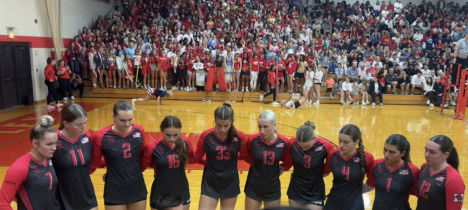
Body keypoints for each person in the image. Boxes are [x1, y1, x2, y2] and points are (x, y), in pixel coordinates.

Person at [90, 101, 147, 210]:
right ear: (113, 117)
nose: (127, 124)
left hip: (136, 185)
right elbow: (94, 162)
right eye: (122, 120)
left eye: (130, 119)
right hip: (114, 188)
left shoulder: (139, 131)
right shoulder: (101, 136)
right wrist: (111, 166)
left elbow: (142, 156)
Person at [194, 103, 246, 210]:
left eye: (226, 125)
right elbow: (196, 157)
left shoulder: (239, 136)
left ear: (232, 121)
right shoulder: (206, 135)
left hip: (230, 182)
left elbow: (246, 156)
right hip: (210, 182)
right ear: (214, 121)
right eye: (218, 125)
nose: (222, 129)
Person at [0, 115, 59, 209]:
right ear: (34, 143)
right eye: (49, 144)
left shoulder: (48, 158)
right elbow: (2, 202)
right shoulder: (20, 167)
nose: (54, 148)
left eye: (55, 143)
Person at [141, 116, 196, 210]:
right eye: (168, 135)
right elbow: (140, 167)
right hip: (160, 192)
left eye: (176, 135)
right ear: (161, 131)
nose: (172, 139)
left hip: (181, 190)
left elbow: (193, 158)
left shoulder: (185, 142)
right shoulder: (152, 147)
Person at [241, 110, 292, 210]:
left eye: (265, 127)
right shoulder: (252, 139)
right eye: (259, 127)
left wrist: (283, 167)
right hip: (254, 186)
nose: (262, 131)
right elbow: (246, 155)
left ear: (274, 125)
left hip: (272, 187)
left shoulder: (284, 142)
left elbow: (288, 160)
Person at [52, 103, 98, 210]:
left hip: (86, 194)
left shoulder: (87, 137)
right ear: (66, 123)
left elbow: (93, 161)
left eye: (85, 123)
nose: (83, 127)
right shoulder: (53, 141)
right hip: (63, 198)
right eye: (78, 124)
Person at [282, 121, 334, 209]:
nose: (304, 149)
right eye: (300, 146)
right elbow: (288, 162)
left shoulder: (326, 146)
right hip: (296, 187)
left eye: (307, 146)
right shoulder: (292, 143)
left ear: (314, 138)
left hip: (315, 189)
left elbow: (328, 167)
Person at [363, 134, 419, 210]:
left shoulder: (413, 171)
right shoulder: (377, 165)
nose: (386, 155)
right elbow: (368, 186)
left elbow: (422, 197)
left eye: (392, 152)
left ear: (402, 153)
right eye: (385, 150)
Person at [324, 124, 374, 210]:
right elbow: (324, 173)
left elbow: (372, 182)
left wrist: (359, 190)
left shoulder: (367, 157)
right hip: (334, 202)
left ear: (356, 142)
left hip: (355, 203)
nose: (341, 145)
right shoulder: (333, 154)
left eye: (346, 142)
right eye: (340, 141)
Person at [416, 135, 465, 210]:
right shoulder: (424, 167)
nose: (426, 155)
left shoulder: (453, 179)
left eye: (432, 152)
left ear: (446, 155)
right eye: (426, 150)